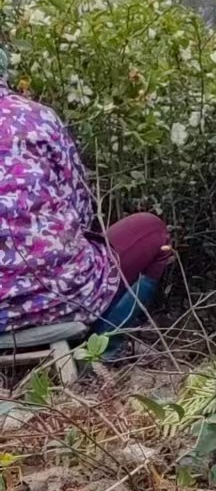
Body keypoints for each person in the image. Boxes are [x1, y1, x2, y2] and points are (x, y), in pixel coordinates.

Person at [0, 50, 171, 339]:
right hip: (58, 297)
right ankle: (101, 351)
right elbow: (81, 209)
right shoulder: (37, 119)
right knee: (152, 231)